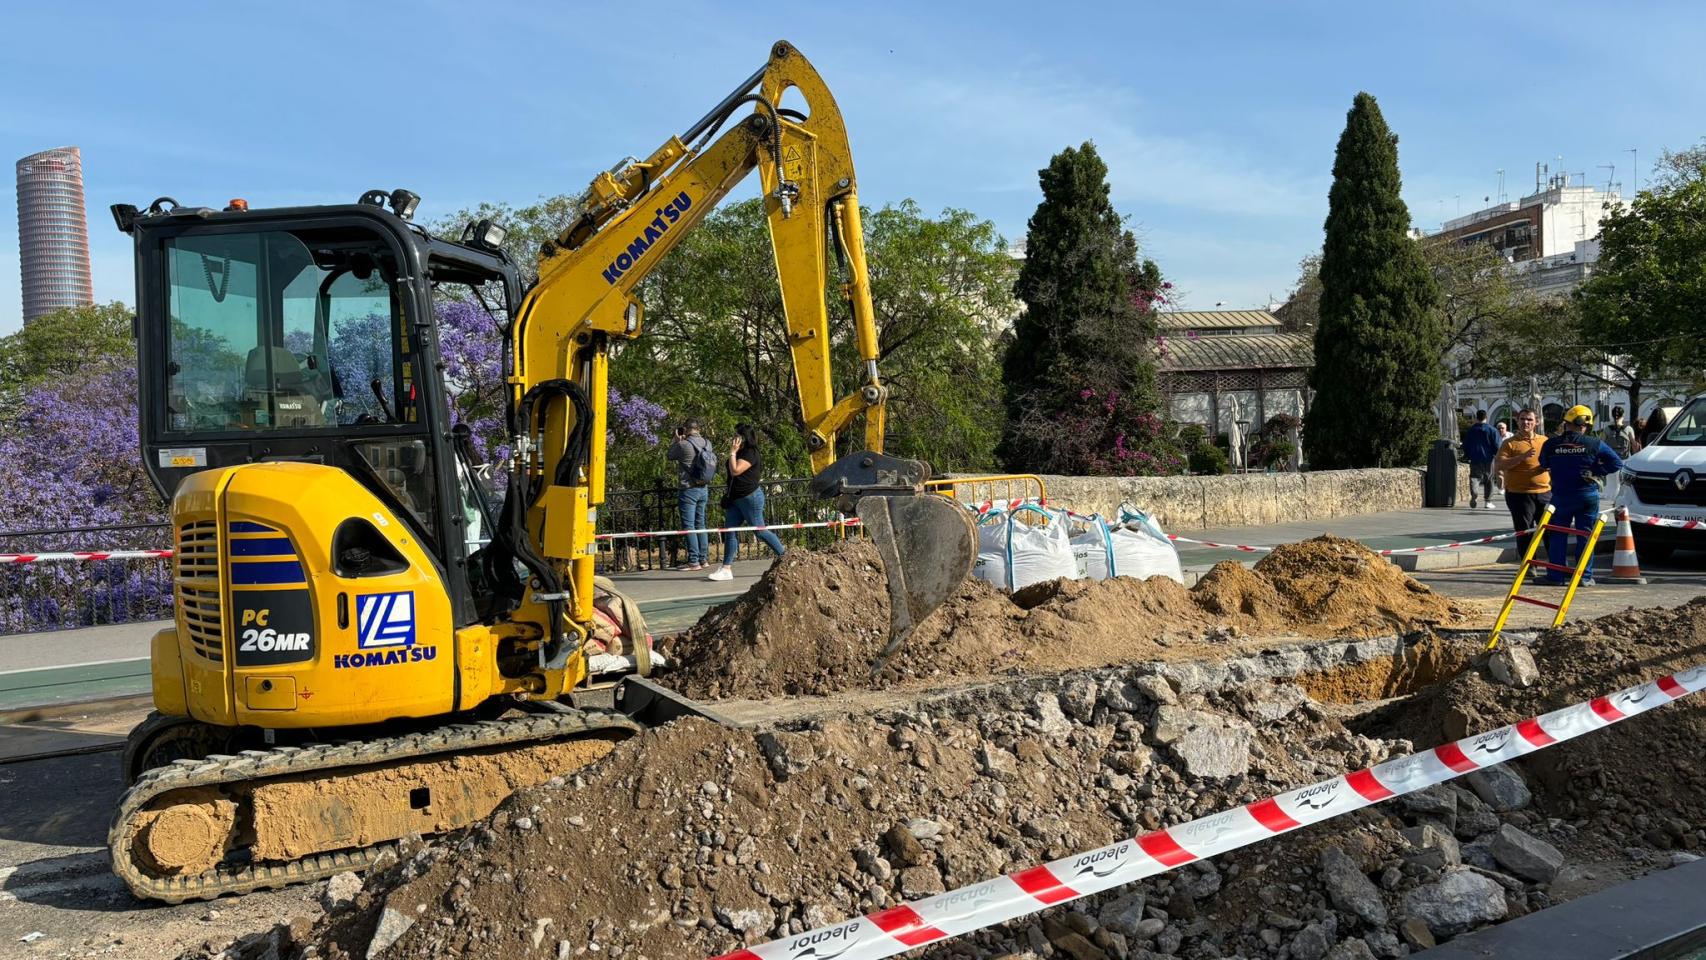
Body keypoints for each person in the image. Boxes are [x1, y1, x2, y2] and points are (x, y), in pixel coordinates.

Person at [1538, 405, 1623, 586]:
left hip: (1560, 497)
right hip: (1587, 495)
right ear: (1585, 425)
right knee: (1585, 535)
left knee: (1558, 535)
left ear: (1566, 422)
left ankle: (1556, 576)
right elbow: (1616, 463)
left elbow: (1543, 463)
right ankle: (1584, 577)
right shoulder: (1594, 443)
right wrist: (1596, 470)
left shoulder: (1551, 444)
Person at [705, 423, 785, 581]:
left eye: (737, 436)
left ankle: (785, 556)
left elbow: (736, 470)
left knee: (759, 530)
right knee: (730, 531)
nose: (734, 439)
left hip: (750, 497)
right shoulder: (739, 451)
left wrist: (733, 453)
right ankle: (726, 568)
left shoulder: (751, 453)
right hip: (735, 498)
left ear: (744, 438)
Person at [1494, 408, 1551, 571]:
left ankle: (1554, 565)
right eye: (1523, 419)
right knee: (1525, 532)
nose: (1526, 422)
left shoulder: (1545, 441)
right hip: (1519, 494)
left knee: (1549, 531)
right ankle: (1529, 566)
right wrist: (1521, 457)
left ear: (1536, 422)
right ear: (1517, 421)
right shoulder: (1509, 443)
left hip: (1545, 493)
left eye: (1529, 420)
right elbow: (1499, 465)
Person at [664, 419, 716, 571]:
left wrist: (676, 440)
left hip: (688, 490)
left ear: (686, 429)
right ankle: (704, 559)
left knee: (689, 526)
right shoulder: (708, 443)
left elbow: (670, 455)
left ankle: (693, 561)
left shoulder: (683, 445)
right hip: (703, 488)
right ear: (698, 429)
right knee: (701, 524)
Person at [1461, 409, 1500, 510]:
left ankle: (1475, 492)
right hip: (1488, 458)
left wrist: (1468, 455)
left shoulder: (1471, 430)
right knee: (1489, 479)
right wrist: (1497, 455)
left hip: (1474, 458)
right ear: (1486, 418)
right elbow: (1496, 445)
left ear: (1476, 418)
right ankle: (1488, 501)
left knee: (1474, 477)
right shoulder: (1492, 430)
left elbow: (1465, 445)